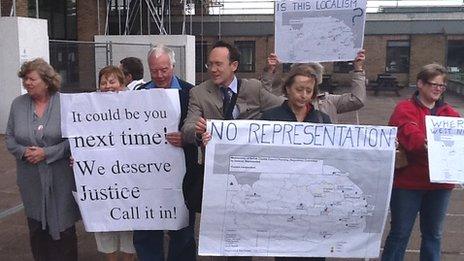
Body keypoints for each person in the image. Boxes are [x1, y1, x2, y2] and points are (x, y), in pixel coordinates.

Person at [182, 40, 284, 261]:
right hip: (217, 177)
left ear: (234, 65)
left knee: (245, 237)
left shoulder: (254, 89)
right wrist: (199, 133)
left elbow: (283, 109)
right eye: (210, 64)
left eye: (219, 64)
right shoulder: (199, 93)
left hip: (251, 176)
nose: (213, 69)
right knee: (221, 239)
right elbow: (187, 129)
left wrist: (316, 106)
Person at [382, 64, 460, 261]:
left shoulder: (451, 114)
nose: (437, 89)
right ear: (420, 84)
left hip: (440, 185)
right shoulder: (405, 108)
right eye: (433, 84)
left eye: (441, 86)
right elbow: (407, 130)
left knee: (433, 235)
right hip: (409, 183)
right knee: (400, 233)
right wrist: (425, 143)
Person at [6, 58, 80, 261]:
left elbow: (74, 141)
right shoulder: (18, 105)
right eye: (25, 79)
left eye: (31, 79)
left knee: (64, 229)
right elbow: (10, 138)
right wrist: (24, 152)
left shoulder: (65, 104)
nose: (27, 83)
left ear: (46, 81)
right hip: (30, 178)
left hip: (60, 177)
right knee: (37, 228)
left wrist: (46, 153)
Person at [133, 44, 198, 261]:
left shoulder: (191, 93)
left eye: (164, 69)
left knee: (182, 230)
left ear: (173, 65)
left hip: (181, 175)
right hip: (147, 174)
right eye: (154, 71)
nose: (160, 75)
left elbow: (199, 131)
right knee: (147, 228)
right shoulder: (139, 94)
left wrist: (186, 139)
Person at [94, 65, 136, 261]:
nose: (107, 86)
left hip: (130, 174)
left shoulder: (136, 105)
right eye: (103, 82)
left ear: (122, 84)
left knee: (130, 220)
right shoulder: (88, 108)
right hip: (101, 176)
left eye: (112, 82)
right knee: (105, 220)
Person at [260, 51, 366, 123]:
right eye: (299, 89)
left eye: (308, 90)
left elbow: (357, 100)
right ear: (288, 88)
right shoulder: (274, 111)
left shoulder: (328, 103)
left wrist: (358, 70)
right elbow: (264, 96)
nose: (303, 95)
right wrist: (269, 71)